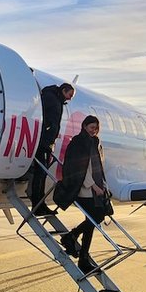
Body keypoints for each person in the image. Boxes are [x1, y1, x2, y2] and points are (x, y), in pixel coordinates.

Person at [54, 115, 111, 275]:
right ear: (85, 126)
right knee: (96, 218)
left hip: (95, 189)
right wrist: (93, 185)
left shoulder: (95, 142)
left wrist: (104, 185)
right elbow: (81, 167)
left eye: (97, 128)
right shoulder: (78, 142)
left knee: (92, 223)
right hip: (83, 189)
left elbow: (98, 166)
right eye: (92, 127)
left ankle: (83, 258)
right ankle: (71, 237)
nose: (94, 130)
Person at [29, 82, 75, 215]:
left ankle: (40, 204)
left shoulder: (57, 100)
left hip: (47, 143)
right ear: (64, 90)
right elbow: (41, 116)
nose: (70, 98)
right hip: (42, 142)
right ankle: (37, 204)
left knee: (42, 174)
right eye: (70, 95)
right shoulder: (50, 98)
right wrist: (46, 136)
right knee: (40, 173)